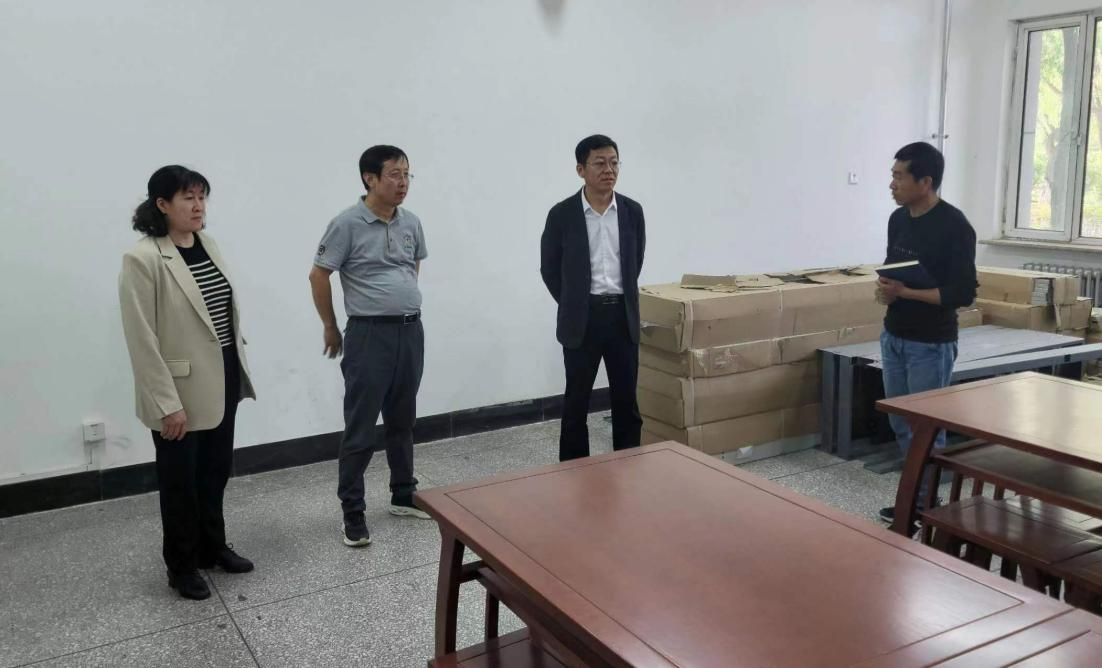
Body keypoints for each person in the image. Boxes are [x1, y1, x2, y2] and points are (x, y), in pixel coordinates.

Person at [119, 165, 257, 600]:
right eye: (188, 198)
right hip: (178, 389)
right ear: (162, 204)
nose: (198, 207)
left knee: (214, 472)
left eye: (202, 197)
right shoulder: (142, 258)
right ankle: (180, 566)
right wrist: (166, 403)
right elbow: (141, 339)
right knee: (180, 482)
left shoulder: (206, 243)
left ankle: (212, 547)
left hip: (222, 377)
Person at [309, 145, 431, 548]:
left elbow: (411, 268)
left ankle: (403, 494)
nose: (403, 182)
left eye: (407, 174)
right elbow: (318, 275)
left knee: (403, 419)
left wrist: (400, 300)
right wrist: (331, 327)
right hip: (368, 335)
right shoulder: (346, 223)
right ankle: (353, 512)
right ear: (370, 178)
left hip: (409, 332)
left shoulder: (411, 222)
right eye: (394, 174)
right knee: (361, 426)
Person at [875, 142, 977, 529]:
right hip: (894, 335)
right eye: (893, 175)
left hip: (930, 344)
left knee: (926, 428)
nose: (892, 184)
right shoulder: (898, 219)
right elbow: (893, 270)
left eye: (899, 177)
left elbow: (962, 294)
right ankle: (918, 499)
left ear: (926, 182)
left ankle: (920, 506)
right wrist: (888, 291)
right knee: (900, 423)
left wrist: (908, 292)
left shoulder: (955, 226)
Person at [540, 134, 646, 461]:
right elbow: (550, 268)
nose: (608, 170)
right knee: (576, 402)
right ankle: (574, 472)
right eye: (599, 163)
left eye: (614, 163)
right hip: (581, 319)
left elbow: (635, 262)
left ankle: (628, 466)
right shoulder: (562, 215)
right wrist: (573, 302)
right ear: (580, 169)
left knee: (626, 401)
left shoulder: (631, 211)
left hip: (622, 318)